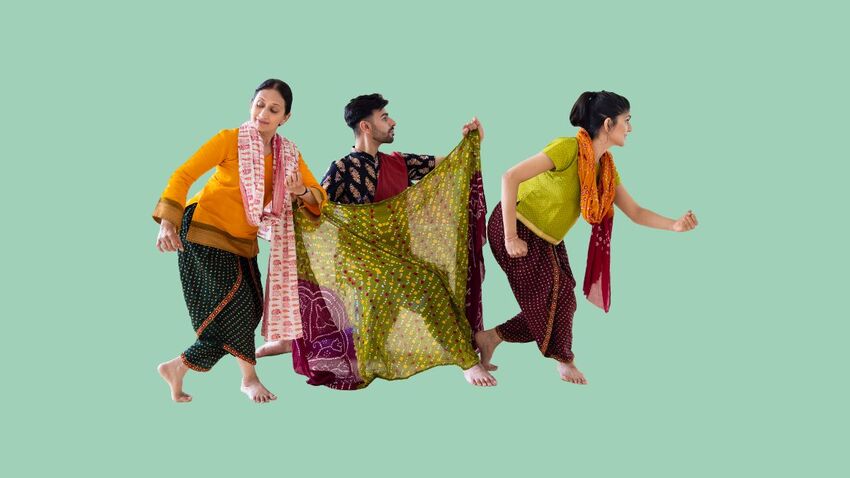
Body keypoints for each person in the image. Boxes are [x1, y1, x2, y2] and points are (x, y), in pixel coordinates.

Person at [260, 93, 496, 387]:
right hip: (357, 260)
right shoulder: (342, 168)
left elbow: (455, 164)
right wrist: (300, 193)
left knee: (434, 280)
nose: (392, 121)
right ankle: (465, 361)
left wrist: (473, 141)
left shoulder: (400, 163)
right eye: (384, 117)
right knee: (390, 285)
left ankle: (459, 354)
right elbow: (317, 207)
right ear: (366, 127)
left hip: (399, 256)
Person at [475, 91, 698, 384]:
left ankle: (490, 338)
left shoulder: (605, 171)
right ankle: (563, 359)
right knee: (556, 295)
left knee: (563, 300)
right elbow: (509, 177)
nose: (630, 128)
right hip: (514, 225)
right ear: (608, 124)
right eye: (626, 121)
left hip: (548, 239)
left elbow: (636, 212)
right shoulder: (567, 149)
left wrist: (674, 226)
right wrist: (510, 237)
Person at [153, 79, 326, 403]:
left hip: (243, 240)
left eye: (273, 109)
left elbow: (318, 195)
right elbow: (183, 175)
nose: (263, 113)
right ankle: (249, 379)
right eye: (259, 104)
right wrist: (168, 221)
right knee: (235, 308)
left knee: (251, 309)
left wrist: (299, 190)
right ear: (251, 104)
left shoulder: (288, 154)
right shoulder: (230, 140)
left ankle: (178, 367)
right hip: (203, 232)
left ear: (285, 118)